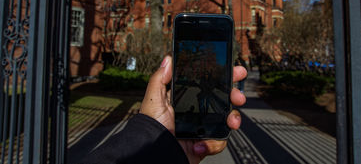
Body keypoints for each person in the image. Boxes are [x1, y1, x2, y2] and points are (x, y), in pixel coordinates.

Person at [79, 56, 247, 164]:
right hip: (200, 98)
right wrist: (155, 136)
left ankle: (203, 112)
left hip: (200, 99)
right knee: (203, 105)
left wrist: (158, 142)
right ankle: (203, 112)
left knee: (208, 105)